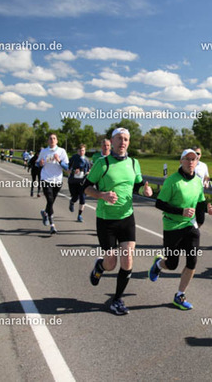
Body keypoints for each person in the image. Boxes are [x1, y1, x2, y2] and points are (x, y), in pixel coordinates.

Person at [84, 128, 153, 315]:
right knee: (111, 264)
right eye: (119, 139)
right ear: (112, 141)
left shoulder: (134, 163)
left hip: (127, 218)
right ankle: (100, 266)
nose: (123, 142)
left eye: (126, 139)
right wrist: (101, 195)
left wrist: (145, 190)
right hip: (106, 220)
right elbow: (86, 187)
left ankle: (117, 299)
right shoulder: (103, 163)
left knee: (128, 258)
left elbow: (138, 184)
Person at [149, 149, 212, 310]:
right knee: (172, 264)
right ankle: (159, 264)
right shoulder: (172, 181)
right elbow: (159, 203)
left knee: (192, 261)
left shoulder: (198, 181)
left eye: (193, 159)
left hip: (190, 226)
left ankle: (180, 295)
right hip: (172, 226)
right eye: (187, 159)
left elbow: (200, 202)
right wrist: (181, 211)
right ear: (181, 161)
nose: (191, 162)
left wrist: (207, 210)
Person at [37, 134, 69, 235]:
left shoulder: (61, 151)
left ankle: (45, 212)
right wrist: (40, 163)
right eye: (50, 138)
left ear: (57, 141)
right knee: (50, 200)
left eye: (54, 138)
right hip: (46, 178)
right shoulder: (44, 151)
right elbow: (37, 163)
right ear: (48, 141)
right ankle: (52, 225)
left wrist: (59, 160)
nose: (52, 140)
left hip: (57, 180)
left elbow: (67, 167)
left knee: (51, 202)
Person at [68, 144, 91, 223]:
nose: (81, 152)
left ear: (85, 151)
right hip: (73, 181)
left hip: (82, 182)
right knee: (75, 197)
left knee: (82, 198)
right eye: (80, 150)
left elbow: (89, 169)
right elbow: (67, 168)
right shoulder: (73, 158)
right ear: (77, 151)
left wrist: (88, 172)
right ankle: (72, 202)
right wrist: (73, 171)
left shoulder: (87, 160)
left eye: (83, 150)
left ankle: (79, 215)